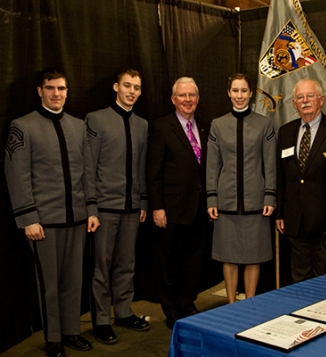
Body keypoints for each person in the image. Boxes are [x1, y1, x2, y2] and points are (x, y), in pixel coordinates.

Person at [4, 67, 100, 357]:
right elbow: (16, 175)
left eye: (61, 88)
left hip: (77, 218)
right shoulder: (22, 126)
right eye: (50, 88)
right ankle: (53, 338)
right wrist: (28, 218)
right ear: (40, 91)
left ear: (67, 91)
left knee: (73, 281)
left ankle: (71, 332)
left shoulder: (77, 125)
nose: (56, 94)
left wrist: (91, 208)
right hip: (44, 221)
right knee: (48, 284)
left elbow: (87, 172)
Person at [85, 69, 149, 344]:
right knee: (102, 266)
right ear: (115, 87)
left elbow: (142, 166)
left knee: (126, 264)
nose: (131, 91)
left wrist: (143, 200)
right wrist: (91, 207)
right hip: (104, 208)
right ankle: (100, 320)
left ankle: (123, 312)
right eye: (127, 85)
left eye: (136, 87)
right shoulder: (96, 120)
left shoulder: (142, 125)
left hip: (132, 206)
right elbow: (88, 167)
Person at [276, 78, 326, 283]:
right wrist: (280, 214)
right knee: (299, 279)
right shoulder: (285, 132)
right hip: (295, 221)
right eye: (300, 97)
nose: (305, 101)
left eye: (310, 96)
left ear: (321, 99)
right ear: (294, 103)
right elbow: (281, 177)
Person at [206, 73, 276, 303]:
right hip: (226, 202)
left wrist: (269, 197)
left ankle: (250, 303)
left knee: (253, 256)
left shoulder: (264, 124)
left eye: (243, 91)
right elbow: (212, 165)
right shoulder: (218, 124)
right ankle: (231, 303)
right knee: (229, 256)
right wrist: (211, 199)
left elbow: (270, 164)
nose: (239, 95)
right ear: (229, 93)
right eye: (235, 90)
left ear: (251, 93)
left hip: (256, 202)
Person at [146, 77, 208, 329]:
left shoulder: (204, 127)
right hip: (170, 210)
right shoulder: (161, 127)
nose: (188, 100)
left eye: (192, 95)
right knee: (169, 262)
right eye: (182, 96)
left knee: (193, 262)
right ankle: (170, 308)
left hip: (198, 208)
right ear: (173, 99)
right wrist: (157, 207)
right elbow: (153, 172)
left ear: (198, 99)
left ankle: (187, 303)